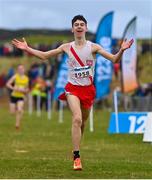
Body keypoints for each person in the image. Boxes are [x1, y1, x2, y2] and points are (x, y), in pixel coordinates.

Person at [12, 15, 133, 170]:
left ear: (86, 28)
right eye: (76, 24)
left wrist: (122, 50)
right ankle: (76, 157)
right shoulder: (66, 47)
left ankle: (76, 147)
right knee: (76, 119)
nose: (79, 26)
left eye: (82, 24)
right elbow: (44, 56)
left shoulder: (94, 47)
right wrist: (27, 48)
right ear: (72, 29)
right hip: (72, 89)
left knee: (82, 123)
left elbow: (114, 60)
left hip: (88, 90)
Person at [6, 64, 29, 130]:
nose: (20, 70)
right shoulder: (15, 76)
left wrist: (24, 90)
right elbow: (8, 84)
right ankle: (18, 110)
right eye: (19, 69)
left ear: (24, 70)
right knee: (12, 113)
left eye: (21, 69)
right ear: (18, 70)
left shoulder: (26, 78)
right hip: (14, 96)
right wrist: (14, 88)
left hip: (21, 96)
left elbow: (27, 89)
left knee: (19, 109)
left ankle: (17, 124)